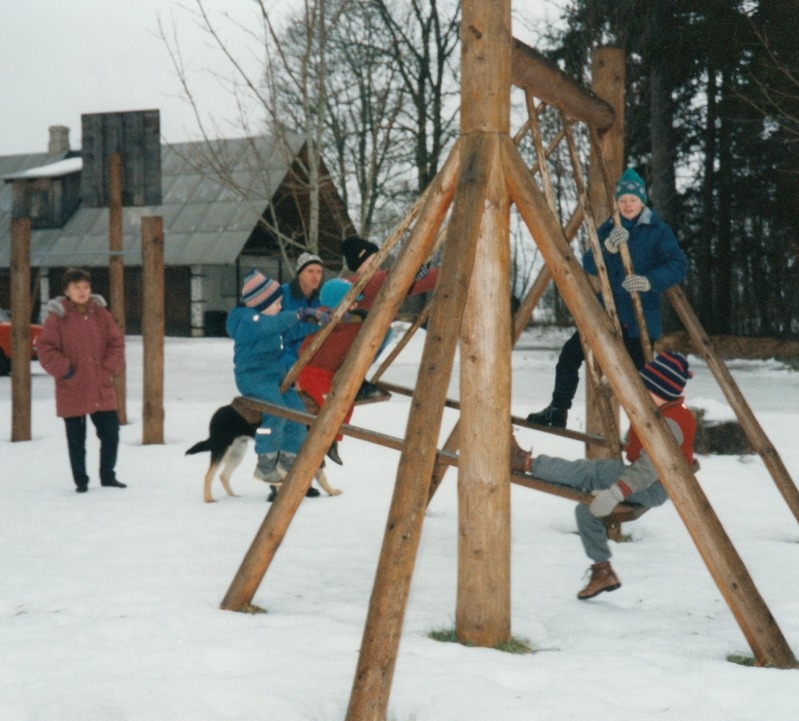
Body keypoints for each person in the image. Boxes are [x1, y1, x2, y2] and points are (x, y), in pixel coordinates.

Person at [514, 351, 696, 600]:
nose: (639, 393)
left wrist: (617, 491)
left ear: (660, 391)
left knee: (589, 472)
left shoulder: (670, 423)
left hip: (653, 482)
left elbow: (649, 468)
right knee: (586, 511)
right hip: (653, 481)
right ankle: (603, 571)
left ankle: (526, 463)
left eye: (645, 389)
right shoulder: (665, 408)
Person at [526, 168, 688, 428]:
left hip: (639, 317)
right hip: (605, 312)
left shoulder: (656, 229)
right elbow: (589, 264)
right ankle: (558, 410)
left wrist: (649, 281)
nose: (627, 205)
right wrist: (608, 247)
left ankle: (651, 431)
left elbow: (678, 265)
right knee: (570, 354)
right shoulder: (609, 227)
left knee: (639, 379)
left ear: (642, 201)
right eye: (622, 200)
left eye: (632, 200)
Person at [225, 269, 329, 500]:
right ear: (261, 302)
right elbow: (270, 325)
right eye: (278, 303)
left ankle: (286, 465)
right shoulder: (248, 320)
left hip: (275, 375)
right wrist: (299, 313)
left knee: (297, 415)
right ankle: (266, 462)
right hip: (252, 376)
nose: (281, 307)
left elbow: (292, 328)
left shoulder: (272, 320)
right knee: (276, 413)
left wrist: (318, 322)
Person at [37, 268, 126, 493]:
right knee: (77, 440)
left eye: (86, 287)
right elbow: (45, 349)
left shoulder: (101, 314)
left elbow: (116, 343)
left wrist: (109, 367)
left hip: (100, 386)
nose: (82, 291)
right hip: (72, 386)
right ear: (67, 291)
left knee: (111, 433)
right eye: (77, 287)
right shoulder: (57, 318)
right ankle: (81, 482)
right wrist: (66, 370)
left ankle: (108, 476)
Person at [341, 235, 437, 400]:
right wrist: (408, 272)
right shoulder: (350, 284)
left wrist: (436, 272)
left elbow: (402, 283)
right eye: (371, 262)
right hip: (342, 353)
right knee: (385, 332)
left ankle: (357, 378)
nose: (377, 265)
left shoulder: (379, 282)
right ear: (358, 264)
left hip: (356, 352)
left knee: (384, 332)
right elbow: (379, 281)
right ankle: (352, 378)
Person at [297, 278, 364, 465]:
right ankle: (325, 443)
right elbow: (306, 347)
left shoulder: (348, 322)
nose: (356, 305)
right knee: (330, 404)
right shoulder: (324, 318)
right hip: (312, 373)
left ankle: (333, 441)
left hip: (330, 374)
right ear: (338, 302)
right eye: (352, 302)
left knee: (346, 403)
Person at [279, 252, 325, 372]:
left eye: (319, 272)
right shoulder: (282, 295)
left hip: (314, 354)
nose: (315, 276)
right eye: (310, 271)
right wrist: (314, 324)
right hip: (285, 355)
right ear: (300, 273)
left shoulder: (323, 298)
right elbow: (282, 333)